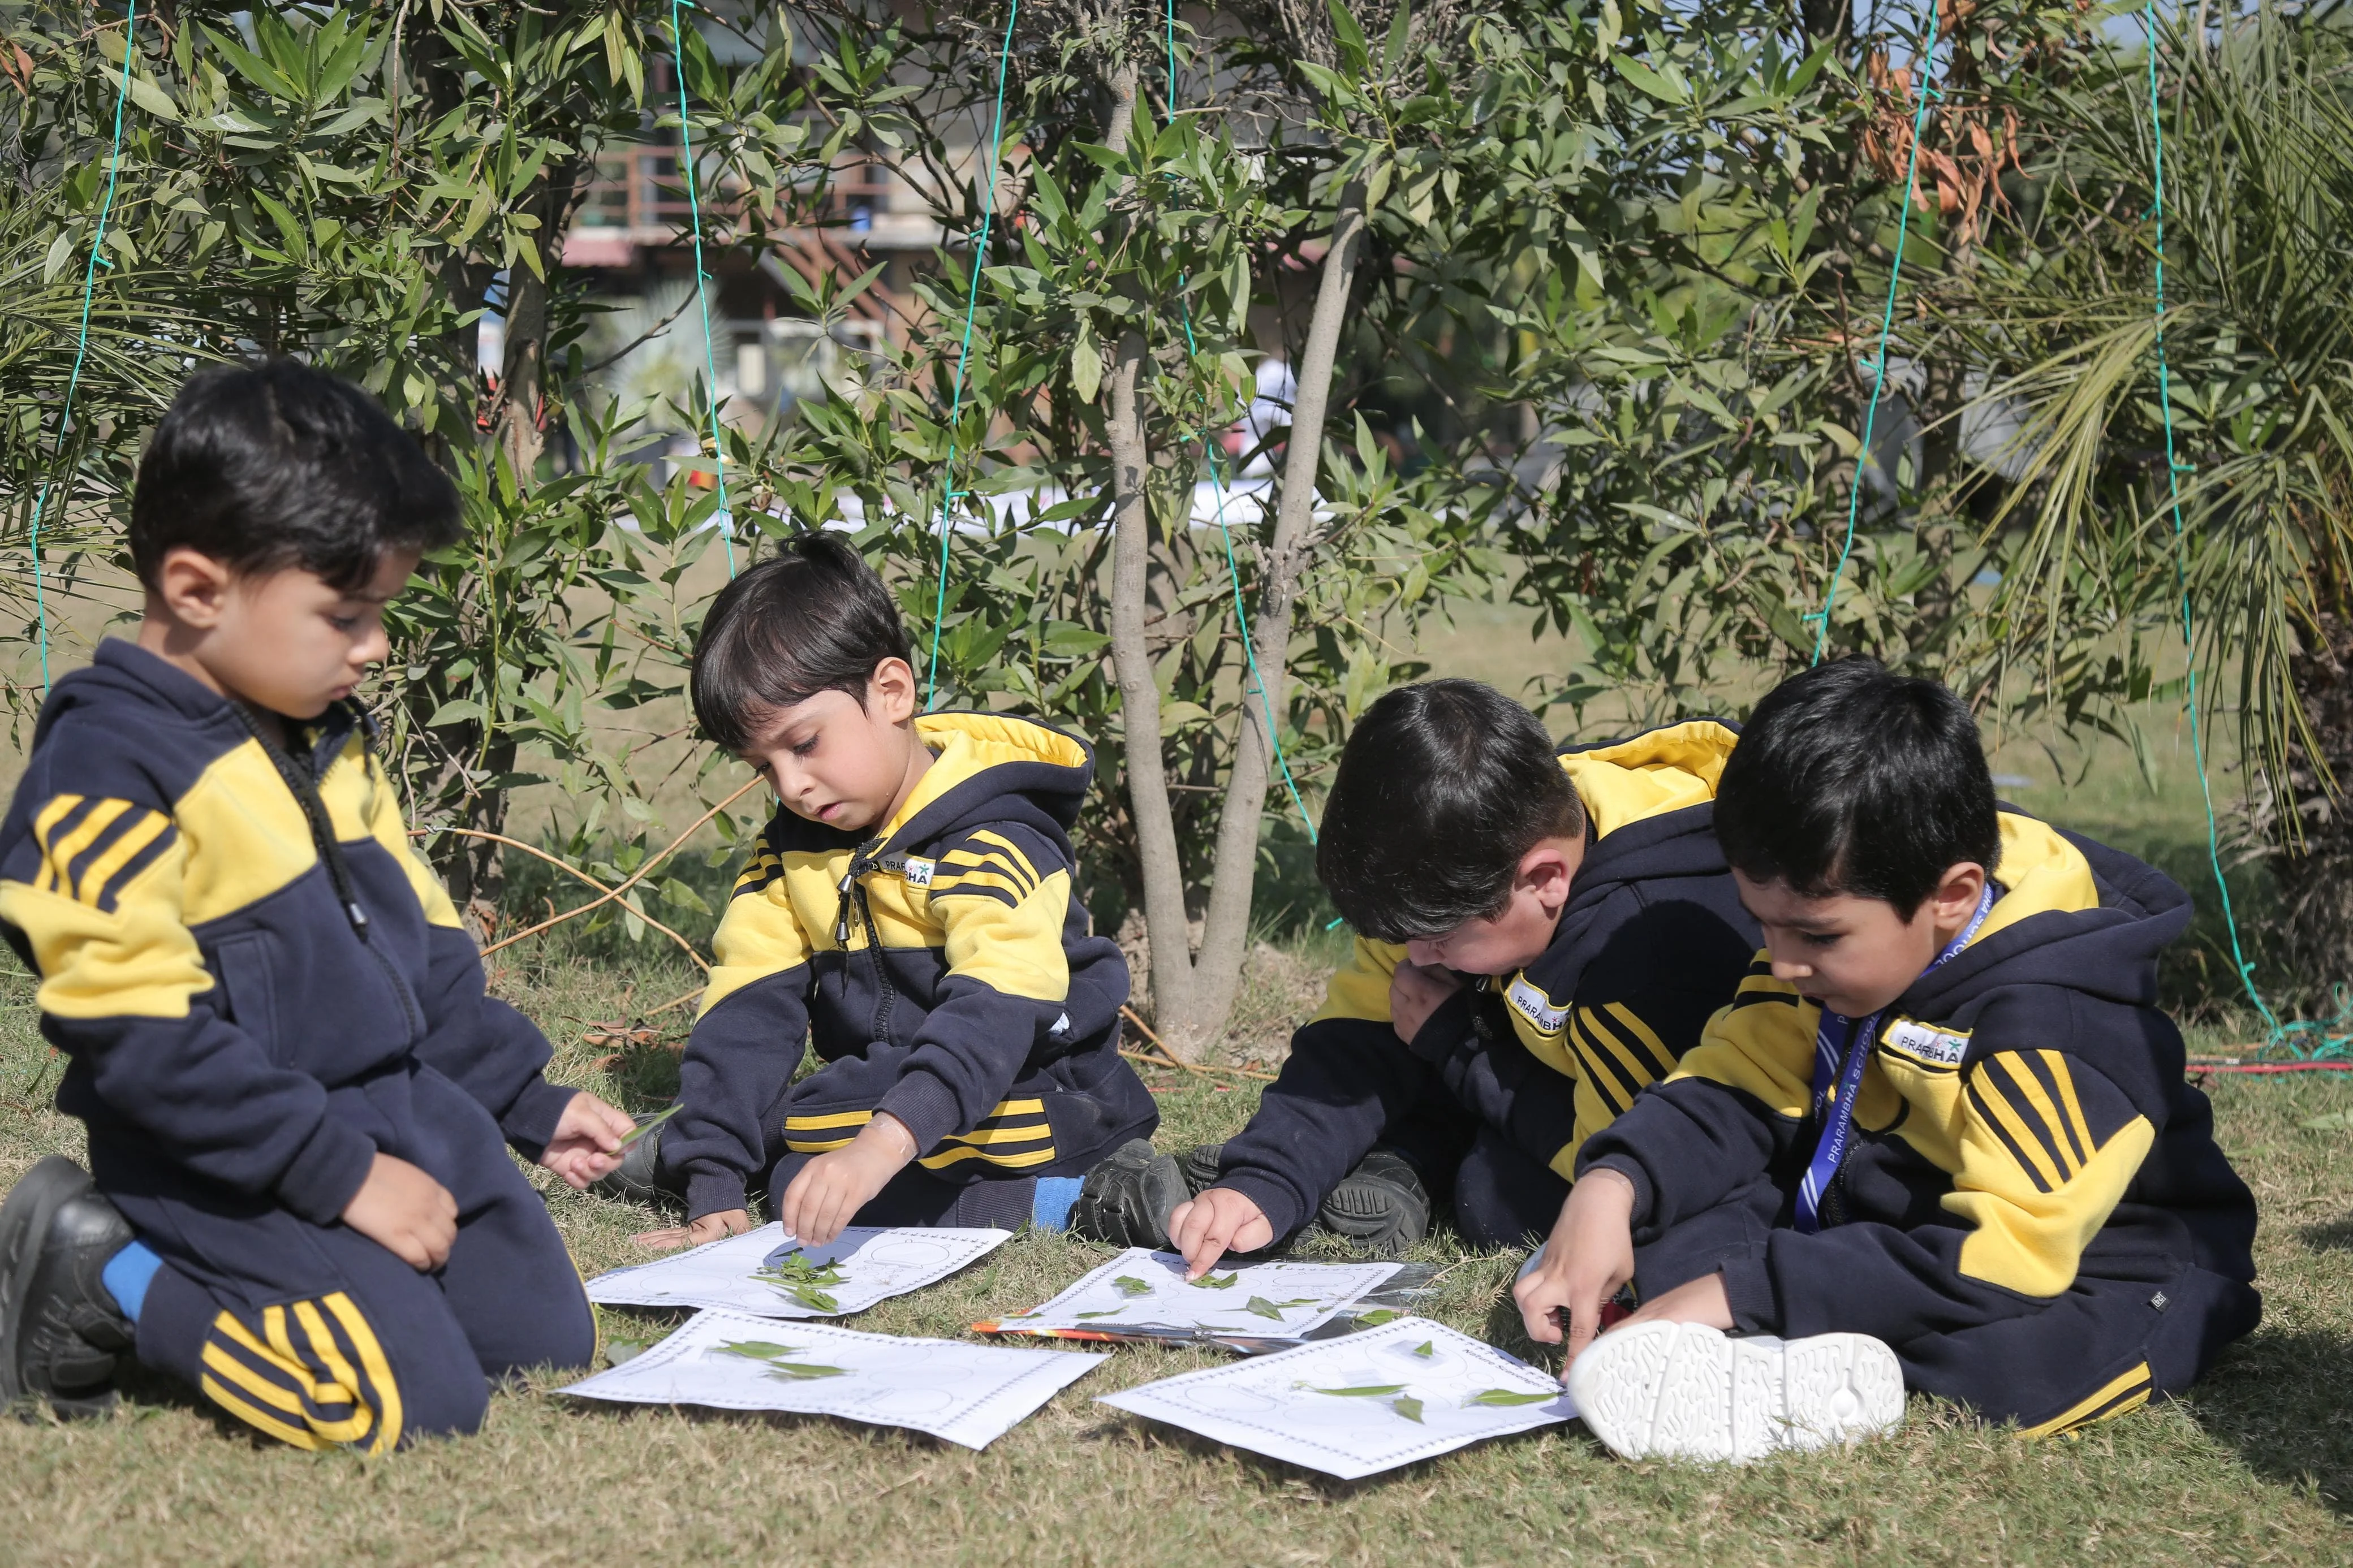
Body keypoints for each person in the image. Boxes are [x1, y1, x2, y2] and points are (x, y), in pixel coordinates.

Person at [0, 361, 632, 1446]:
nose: (375, 646)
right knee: (404, 1405)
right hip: (223, 1151)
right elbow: (138, 1037)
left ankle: (340, 1271)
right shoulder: (105, 765)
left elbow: (423, 947)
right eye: (347, 614)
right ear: (198, 589)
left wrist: (525, 1097)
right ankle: (115, 1272)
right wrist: (340, 1178)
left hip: (401, 1105)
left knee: (539, 1344)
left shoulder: (322, 732)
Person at [1520, 657, 2261, 1462]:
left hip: (2100, 1260)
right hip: (1895, 1208)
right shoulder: (1825, 936)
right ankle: (1769, 1338)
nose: (1782, 961)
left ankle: (1806, 1375)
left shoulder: (2055, 1025)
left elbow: (2008, 1258)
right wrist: (1610, 1186)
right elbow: (1734, 1082)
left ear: (1951, 896)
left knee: (2026, 1363)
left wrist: (1740, 1290)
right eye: (1763, 924)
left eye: (1816, 934)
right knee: (1669, 1226)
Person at [1073, 679, 1759, 1276]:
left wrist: (1456, 1046)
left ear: (1545, 880)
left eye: (1433, 938)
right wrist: (1264, 1178)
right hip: (1530, 1061)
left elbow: (1618, 1161)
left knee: (1494, 1196)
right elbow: (1359, 1035)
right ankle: (1382, 1163)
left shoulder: (1643, 943)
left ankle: (1410, 1155)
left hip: (1658, 1121)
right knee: (1406, 1049)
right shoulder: (1462, 867)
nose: (1416, 957)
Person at [610, 533, 1157, 1249]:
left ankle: (1080, 1199)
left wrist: (879, 1145)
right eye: (764, 768)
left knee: (823, 1135)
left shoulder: (994, 837)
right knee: (796, 1163)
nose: (792, 786)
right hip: (887, 1089)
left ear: (891, 692)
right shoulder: (787, 852)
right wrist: (714, 1183)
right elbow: (747, 1009)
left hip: (1040, 1087)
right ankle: (706, 1154)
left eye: (804, 745)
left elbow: (996, 1011)